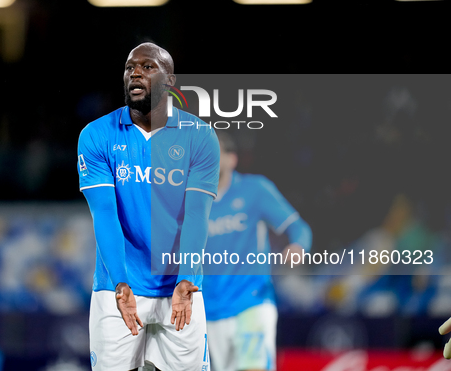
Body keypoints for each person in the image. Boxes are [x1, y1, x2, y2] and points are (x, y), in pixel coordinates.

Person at [77, 42, 220, 371]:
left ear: (170, 80)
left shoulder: (199, 136)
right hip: (120, 288)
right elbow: (105, 215)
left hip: (180, 289)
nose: (135, 73)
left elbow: (196, 216)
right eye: (129, 68)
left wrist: (186, 279)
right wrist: (119, 284)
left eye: (147, 66)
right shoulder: (97, 135)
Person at [202, 132, 312, 371]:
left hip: (250, 301)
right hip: (209, 311)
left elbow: (299, 228)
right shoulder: (192, 200)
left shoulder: (255, 190)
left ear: (232, 159)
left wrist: (298, 246)